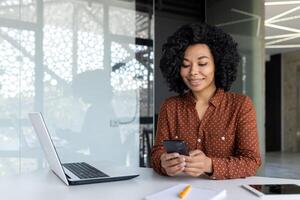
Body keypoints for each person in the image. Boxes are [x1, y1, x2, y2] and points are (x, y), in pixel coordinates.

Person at [151, 23, 261, 180]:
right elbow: (157, 153)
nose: (193, 72)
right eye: (185, 65)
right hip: (179, 192)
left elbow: (251, 162)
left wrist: (209, 165)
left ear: (217, 65)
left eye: (202, 63)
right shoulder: (170, 106)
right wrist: (163, 162)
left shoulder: (241, 105)